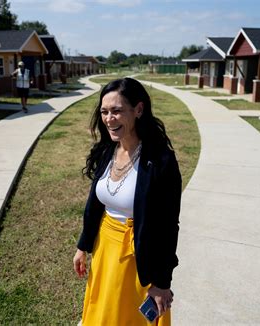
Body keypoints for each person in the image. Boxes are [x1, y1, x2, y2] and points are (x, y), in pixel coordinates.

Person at [73, 77, 182, 325]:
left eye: (117, 111)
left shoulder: (161, 161)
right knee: (104, 314)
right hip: (105, 250)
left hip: (140, 257)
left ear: (139, 110)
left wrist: (162, 283)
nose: (109, 118)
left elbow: (168, 227)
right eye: (104, 111)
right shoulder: (107, 150)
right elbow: (95, 206)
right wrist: (83, 246)